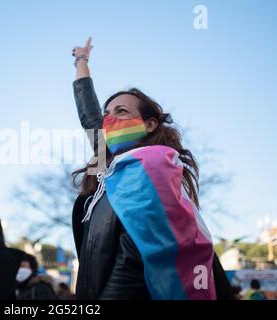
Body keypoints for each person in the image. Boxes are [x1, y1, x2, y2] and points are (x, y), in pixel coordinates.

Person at [71, 37, 233, 300]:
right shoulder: (112, 165)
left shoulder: (154, 167)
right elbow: (88, 114)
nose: (109, 119)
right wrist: (81, 61)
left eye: (121, 111)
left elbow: (135, 255)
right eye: (107, 113)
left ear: (149, 125)